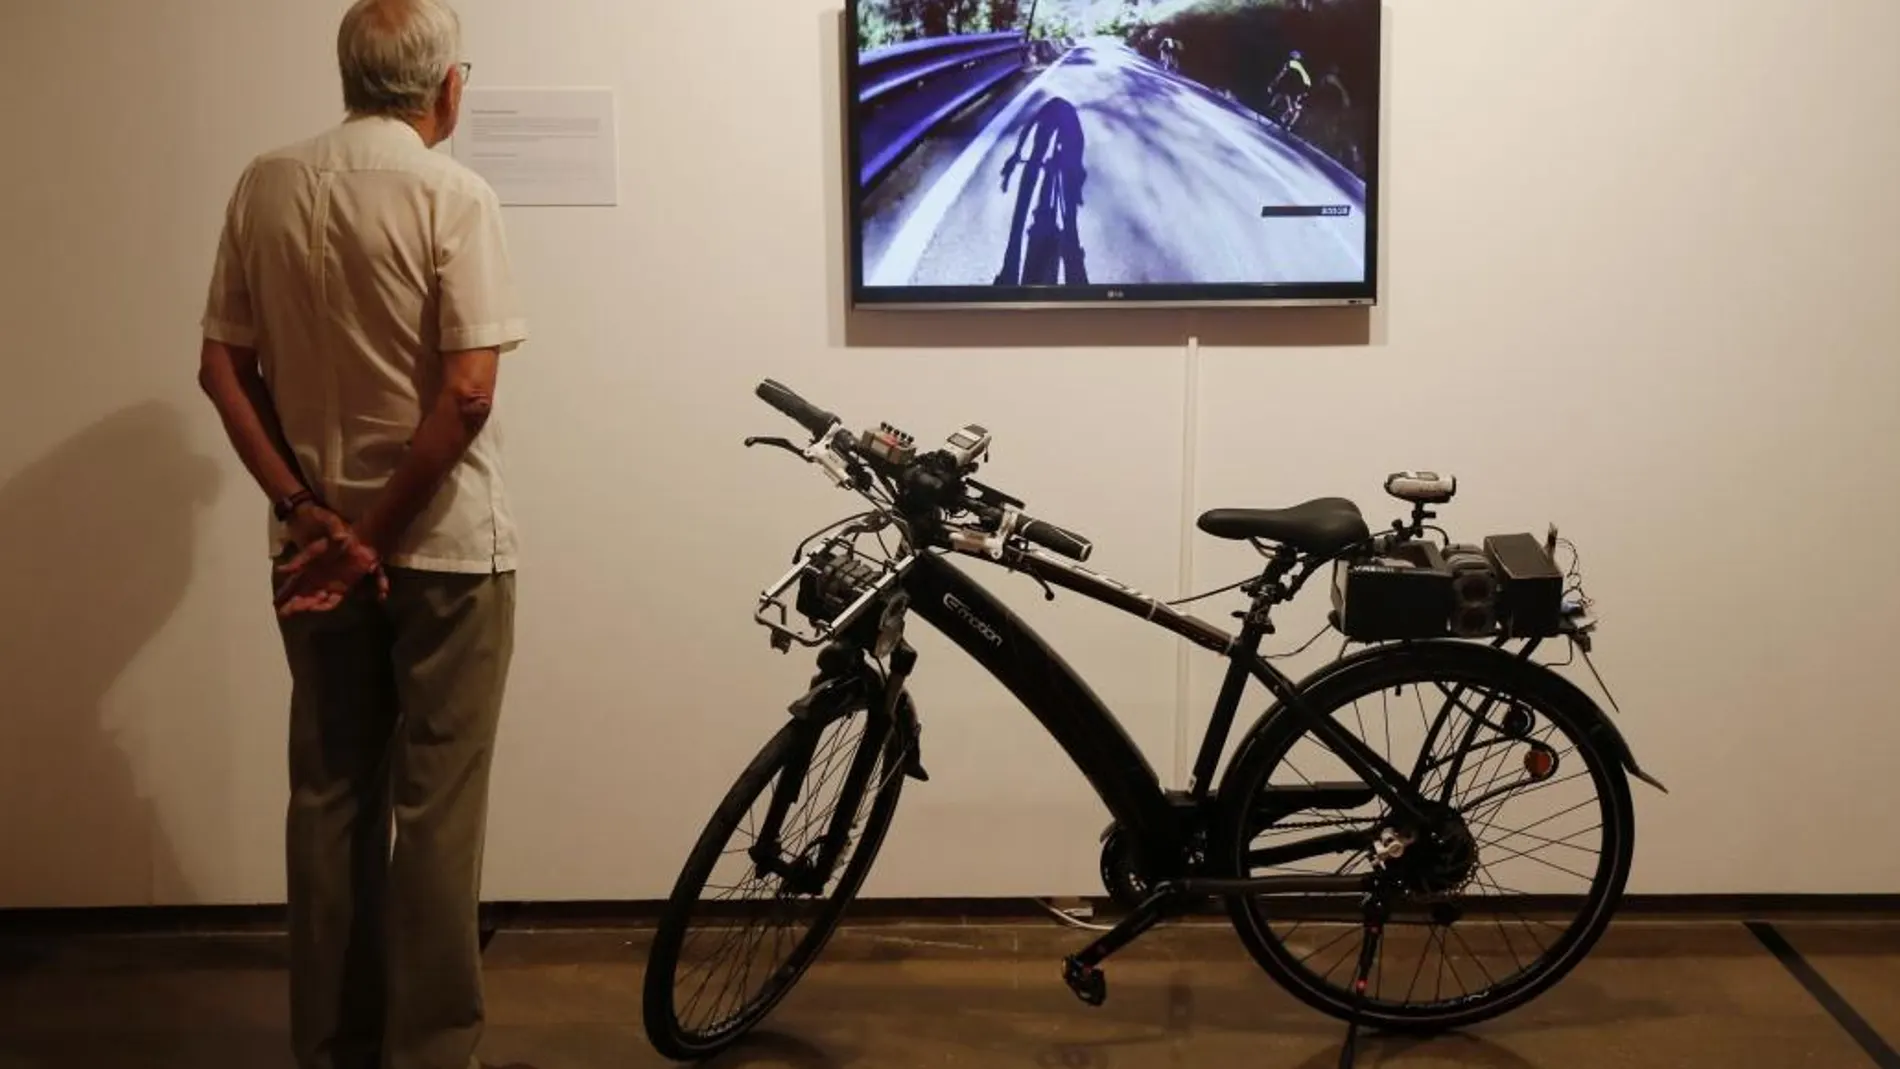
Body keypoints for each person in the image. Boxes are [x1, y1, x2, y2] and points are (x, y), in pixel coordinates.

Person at [194, 1, 529, 1067]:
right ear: (446, 87)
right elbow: (469, 393)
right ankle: (429, 1052)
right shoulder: (454, 194)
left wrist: (310, 516)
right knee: (437, 811)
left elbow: (220, 369)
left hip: (311, 553)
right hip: (443, 550)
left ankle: (330, 1045)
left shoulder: (266, 181)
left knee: (329, 795)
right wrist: (375, 534)